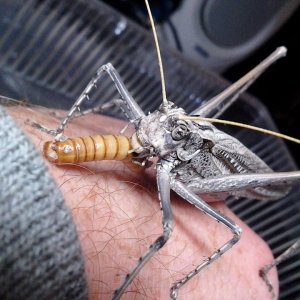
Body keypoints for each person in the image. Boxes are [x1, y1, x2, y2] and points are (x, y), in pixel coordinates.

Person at [1, 103, 278, 299]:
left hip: (209, 182)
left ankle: (175, 287)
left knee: (187, 231)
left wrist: (175, 286)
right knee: (111, 71)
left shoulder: (188, 151)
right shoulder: (163, 130)